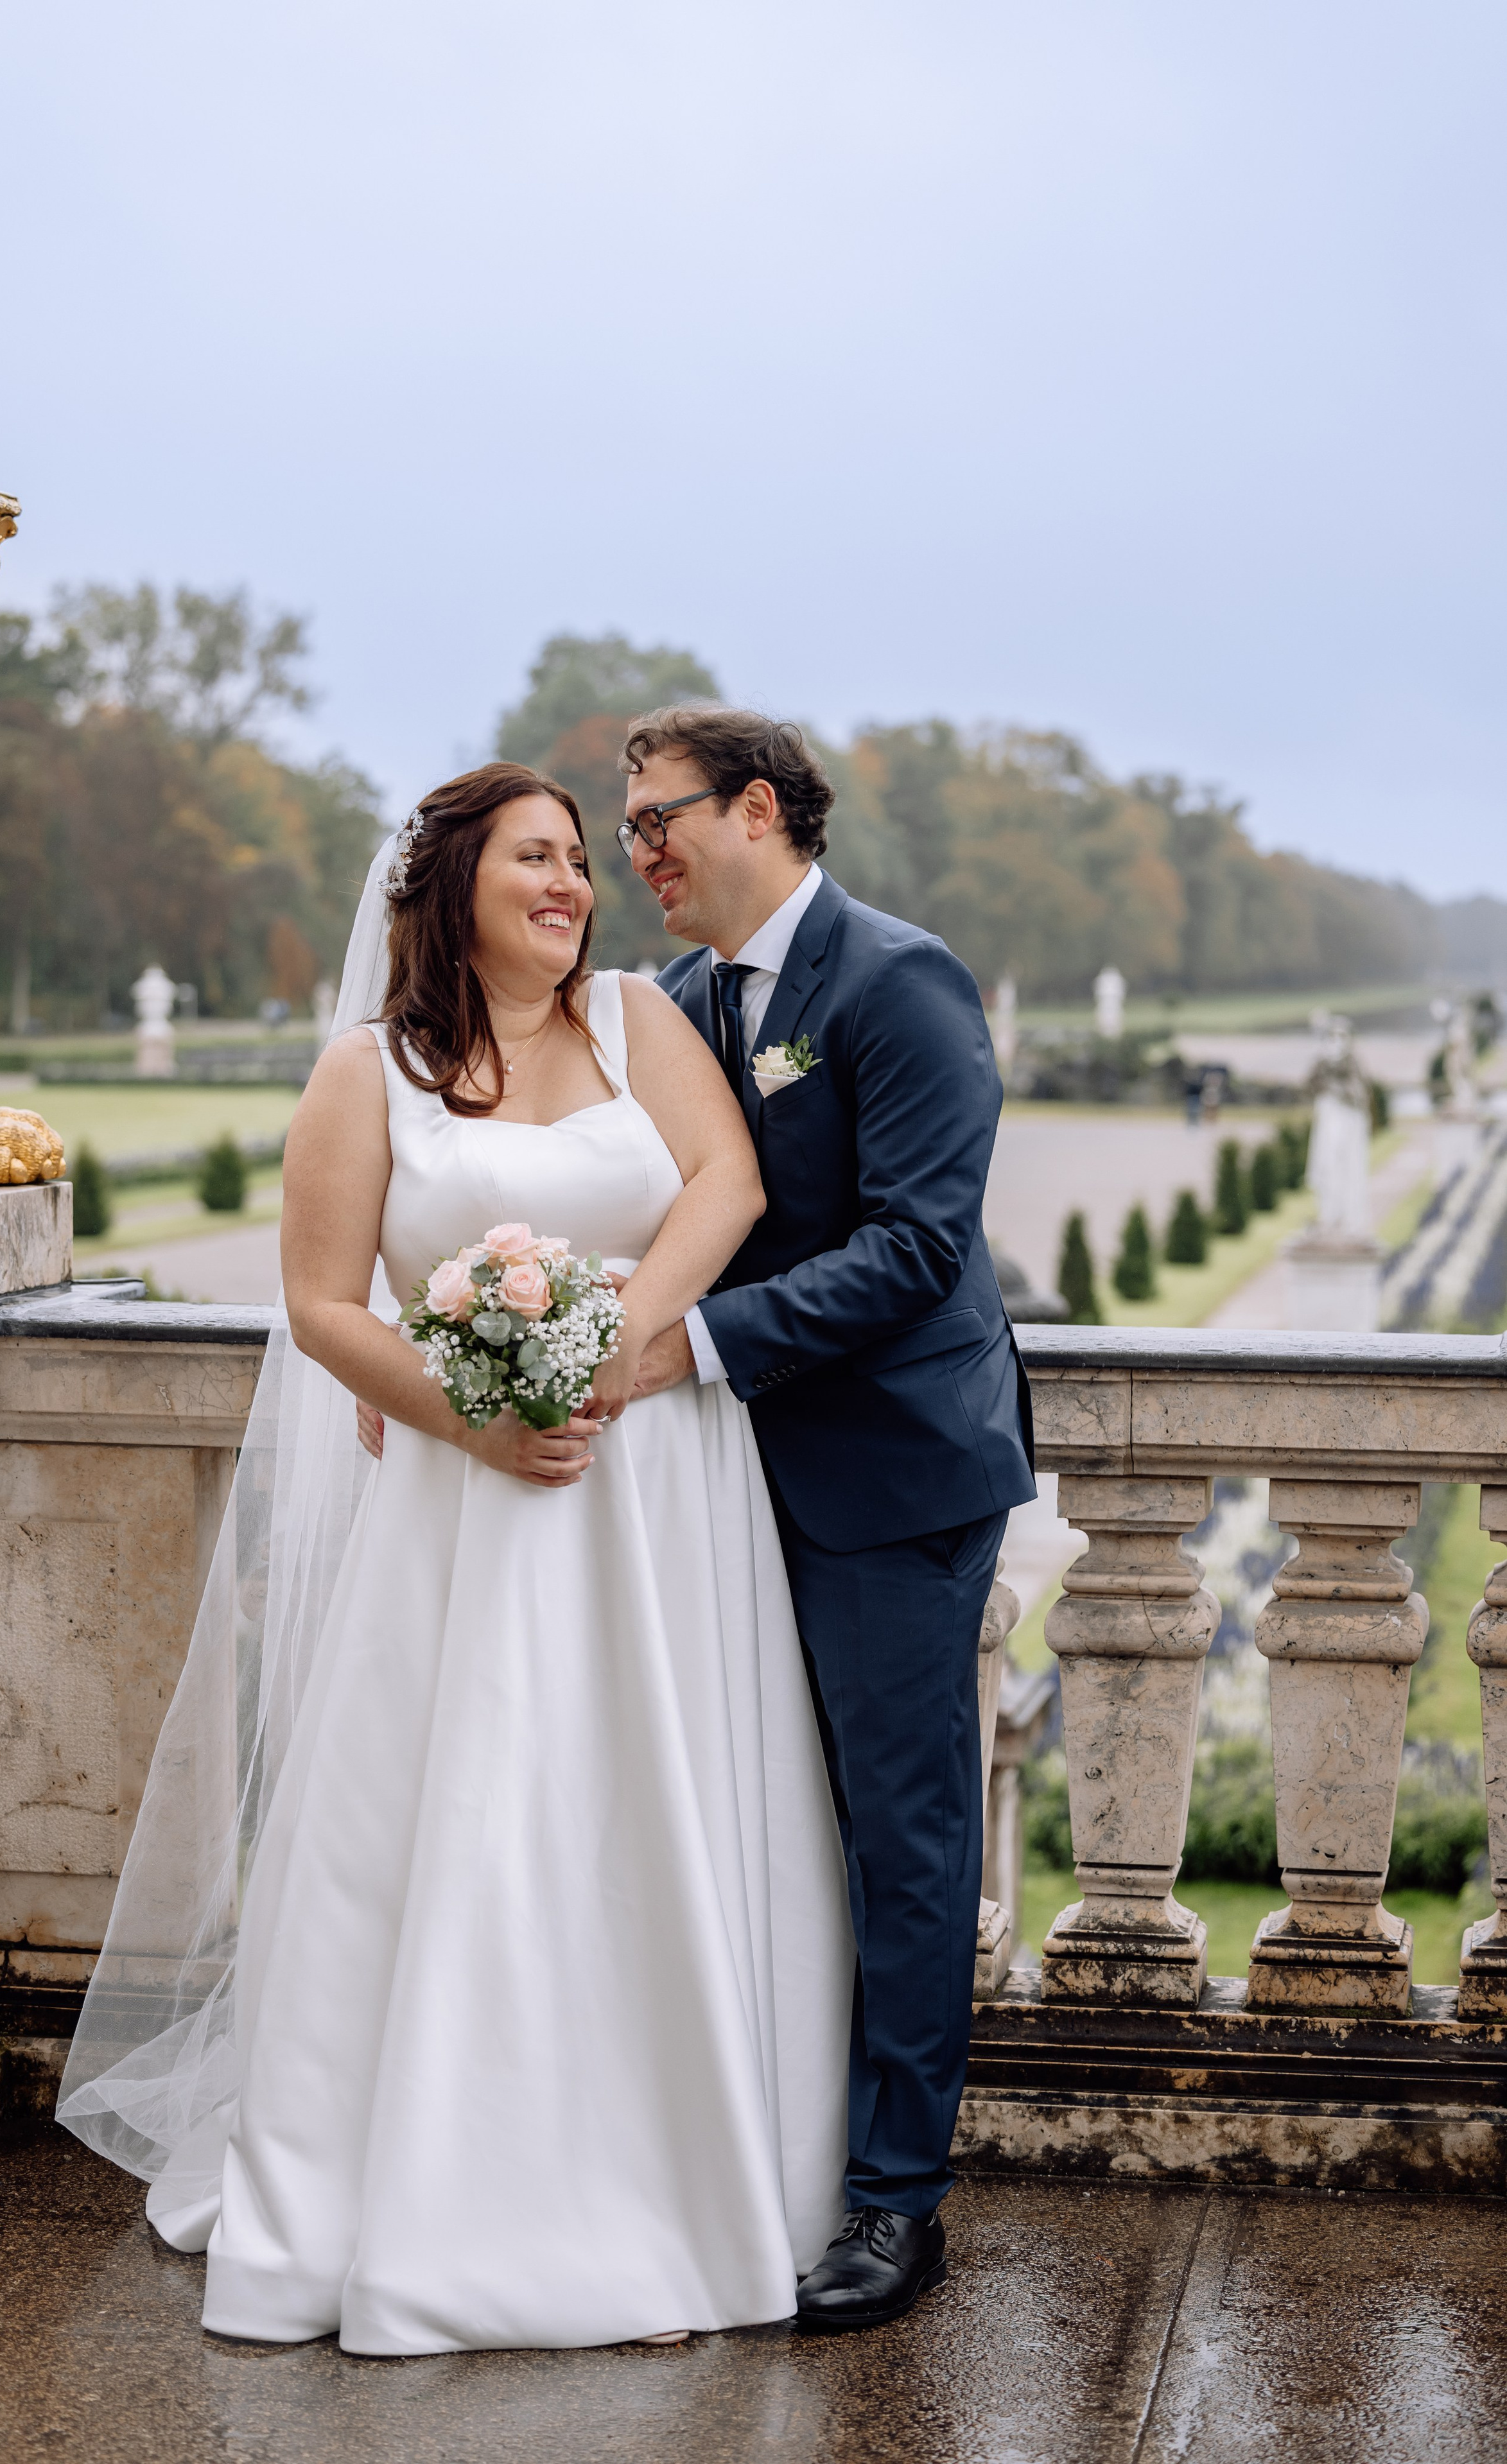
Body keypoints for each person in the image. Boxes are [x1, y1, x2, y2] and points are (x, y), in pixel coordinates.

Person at [58, 761, 855, 2355]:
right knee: (474, 1819)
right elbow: (326, 1303)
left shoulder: (640, 1016)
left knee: (642, 1812)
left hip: (654, 1494)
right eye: (536, 860)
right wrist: (480, 1416)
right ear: (452, 887)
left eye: (579, 859)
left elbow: (729, 1185)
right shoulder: (369, 1072)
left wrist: (601, 1354)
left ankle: (670, 2175)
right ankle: (430, 2195)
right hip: (461, 1502)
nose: (572, 885)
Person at [616, 704, 1036, 2333]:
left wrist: (694, 1345)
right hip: (714, 1484)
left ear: (765, 809)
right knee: (743, 1820)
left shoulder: (897, 978)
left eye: (662, 819)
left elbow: (921, 1242)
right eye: (627, 825)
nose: (637, 850)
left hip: (889, 1479)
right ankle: (761, 2155)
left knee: (903, 1843)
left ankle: (892, 2203)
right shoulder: (667, 1002)